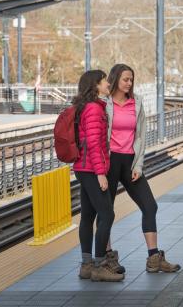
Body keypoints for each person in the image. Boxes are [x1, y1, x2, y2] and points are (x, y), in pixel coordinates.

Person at [103, 64, 180, 274]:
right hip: (109, 162)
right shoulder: (104, 103)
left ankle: (154, 258)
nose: (129, 83)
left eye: (131, 79)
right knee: (106, 212)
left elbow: (141, 135)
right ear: (115, 78)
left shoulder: (136, 103)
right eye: (125, 79)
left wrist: (138, 164)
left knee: (150, 206)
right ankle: (107, 258)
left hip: (130, 162)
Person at [72, 70, 123, 282]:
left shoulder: (88, 107)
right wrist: (101, 173)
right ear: (95, 86)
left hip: (84, 168)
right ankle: (100, 265)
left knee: (88, 216)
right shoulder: (93, 109)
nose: (108, 83)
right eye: (104, 81)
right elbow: (93, 144)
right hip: (91, 169)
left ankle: (86, 265)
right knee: (107, 214)